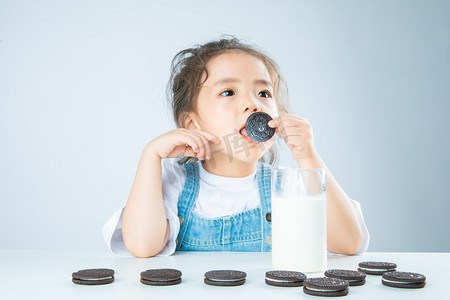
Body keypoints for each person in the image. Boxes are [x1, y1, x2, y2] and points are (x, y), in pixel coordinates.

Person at [103, 35, 370, 258]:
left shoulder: (287, 187)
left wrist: (308, 156)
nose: (254, 105)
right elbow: (142, 246)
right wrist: (150, 156)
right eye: (228, 92)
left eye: (263, 93)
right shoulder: (175, 185)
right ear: (191, 124)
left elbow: (348, 243)